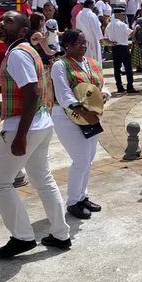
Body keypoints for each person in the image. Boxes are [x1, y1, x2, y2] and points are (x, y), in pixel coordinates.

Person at [0, 11, 71, 259]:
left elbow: (32, 93)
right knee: (42, 178)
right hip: (42, 124)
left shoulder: (17, 54)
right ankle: (60, 234)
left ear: (23, 30)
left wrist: (20, 136)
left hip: (25, 127)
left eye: (8, 21)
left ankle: (23, 237)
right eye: (2, 20)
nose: (1, 23)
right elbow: (27, 88)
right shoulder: (27, 50)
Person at [51, 30, 110, 220]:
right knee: (81, 158)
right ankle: (73, 202)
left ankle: (82, 196)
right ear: (67, 46)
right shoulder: (60, 66)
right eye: (79, 43)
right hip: (67, 116)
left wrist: (105, 95)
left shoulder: (92, 63)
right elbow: (63, 95)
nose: (84, 46)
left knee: (89, 157)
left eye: (84, 43)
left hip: (91, 116)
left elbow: (101, 85)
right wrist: (84, 112)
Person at [105, 7, 137, 93]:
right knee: (128, 68)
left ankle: (119, 86)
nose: (124, 16)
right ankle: (130, 86)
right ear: (118, 14)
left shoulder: (109, 25)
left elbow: (105, 39)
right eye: (123, 14)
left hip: (114, 48)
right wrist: (136, 29)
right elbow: (131, 33)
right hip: (123, 47)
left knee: (116, 68)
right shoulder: (122, 24)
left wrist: (111, 43)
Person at [75, 0, 104, 67]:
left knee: (84, 58)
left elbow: (77, 28)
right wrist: (100, 38)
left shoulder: (79, 14)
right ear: (90, 5)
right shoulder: (91, 15)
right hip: (93, 40)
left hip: (82, 40)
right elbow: (96, 28)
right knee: (94, 59)